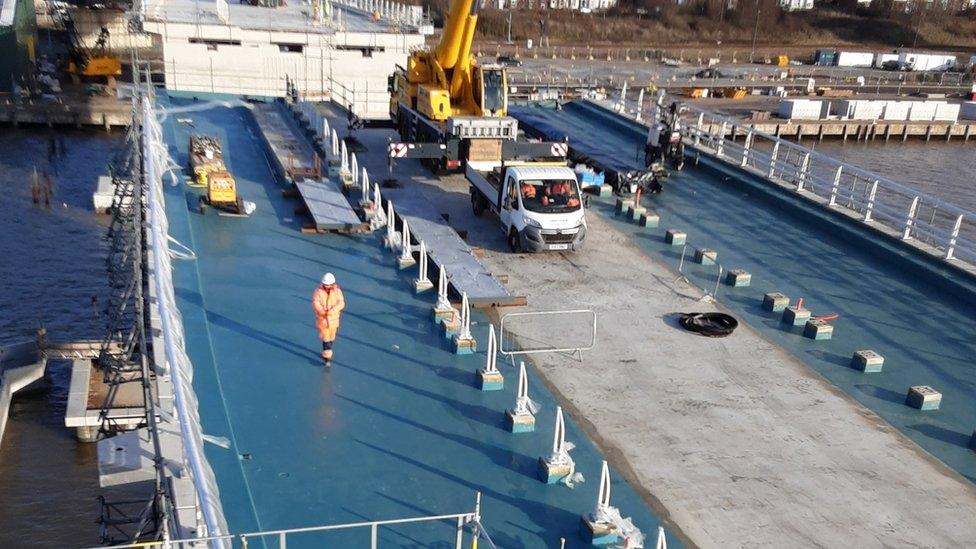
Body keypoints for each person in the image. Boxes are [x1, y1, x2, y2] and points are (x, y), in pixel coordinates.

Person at [312, 272, 345, 367]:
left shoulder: (337, 291)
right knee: (326, 338)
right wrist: (322, 311)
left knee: (331, 338)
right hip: (323, 320)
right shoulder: (318, 292)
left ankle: (327, 351)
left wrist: (333, 310)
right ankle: (327, 358)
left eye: (328, 285)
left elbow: (341, 303)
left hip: (334, 320)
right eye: (325, 284)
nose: (327, 286)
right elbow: (315, 303)